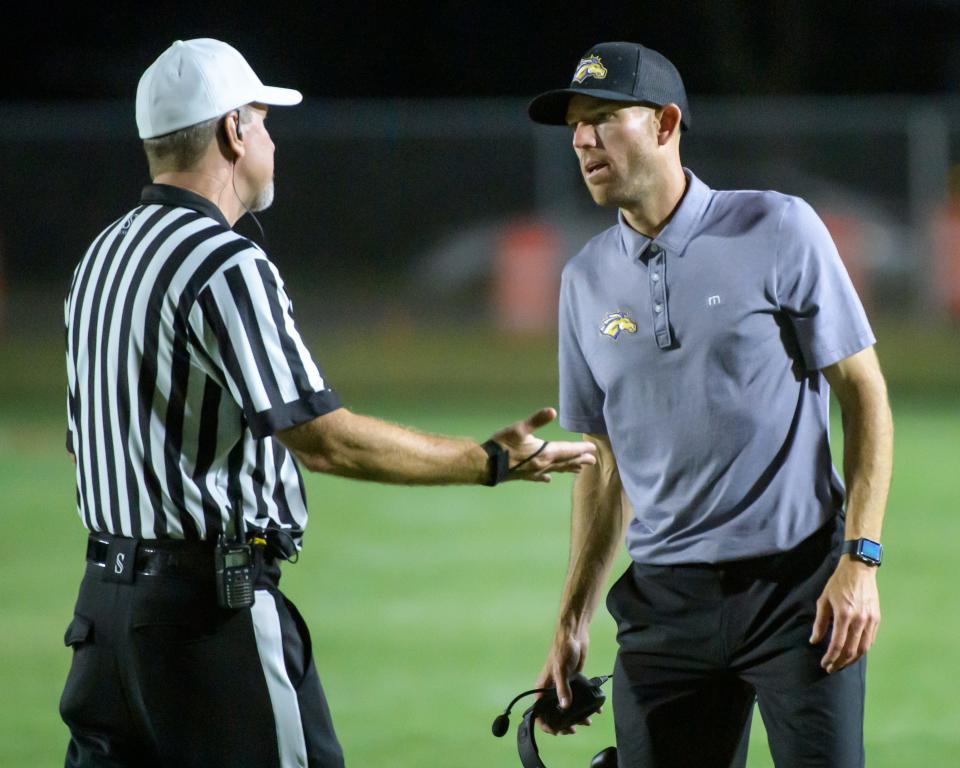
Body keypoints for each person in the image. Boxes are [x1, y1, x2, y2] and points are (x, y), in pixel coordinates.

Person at [59, 38, 596, 768]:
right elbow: (322, 439)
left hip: (101, 619)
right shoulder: (225, 261)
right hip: (205, 624)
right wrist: (487, 461)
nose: (272, 139)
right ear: (232, 132)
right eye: (263, 120)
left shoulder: (101, 259)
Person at [526, 42, 893, 767]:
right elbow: (602, 462)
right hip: (665, 610)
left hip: (800, 599)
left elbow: (866, 395)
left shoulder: (778, 227)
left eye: (601, 118)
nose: (581, 140)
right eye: (574, 124)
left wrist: (862, 560)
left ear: (665, 124)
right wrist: (572, 619)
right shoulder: (583, 281)